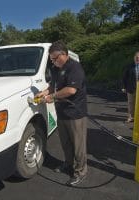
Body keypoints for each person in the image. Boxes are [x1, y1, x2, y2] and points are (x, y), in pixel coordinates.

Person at [35, 41, 88, 186]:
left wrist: (51, 97)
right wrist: (44, 93)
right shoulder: (55, 68)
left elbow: (71, 90)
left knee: (78, 145)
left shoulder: (74, 67)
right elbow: (53, 86)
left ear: (63, 54)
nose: (52, 62)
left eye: (54, 58)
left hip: (75, 113)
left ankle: (80, 171)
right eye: (51, 59)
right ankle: (68, 164)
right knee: (66, 143)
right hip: (62, 112)